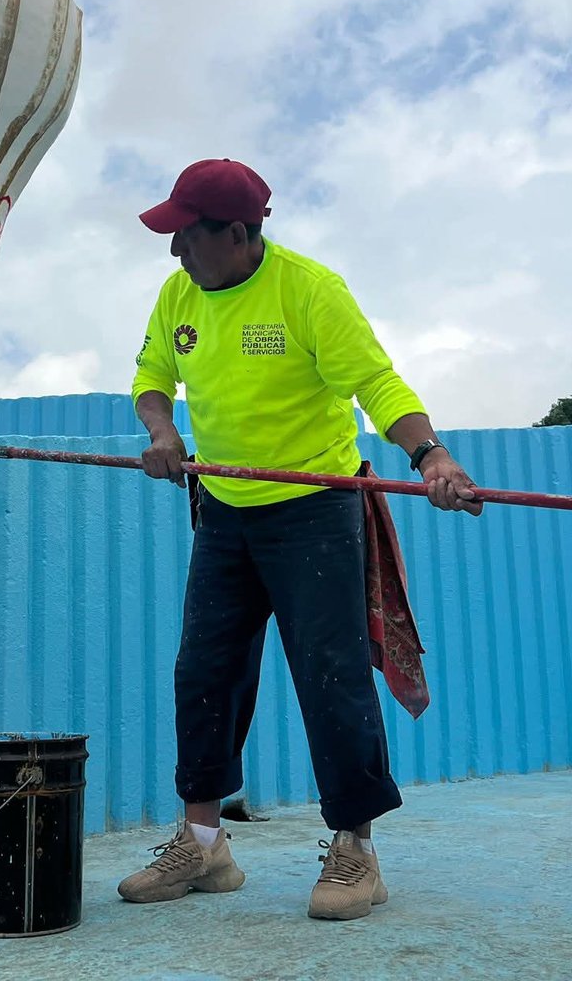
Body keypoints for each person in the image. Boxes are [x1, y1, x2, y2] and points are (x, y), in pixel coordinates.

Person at [118, 158, 482, 921]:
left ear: (240, 233)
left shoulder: (310, 290)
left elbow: (378, 383)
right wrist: (162, 432)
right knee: (204, 672)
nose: (174, 250)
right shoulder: (179, 292)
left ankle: (356, 850)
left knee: (331, 673)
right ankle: (204, 844)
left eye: (186, 234)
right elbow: (153, 372)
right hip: (222, 507)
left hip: (314, 507)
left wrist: (431, 456)